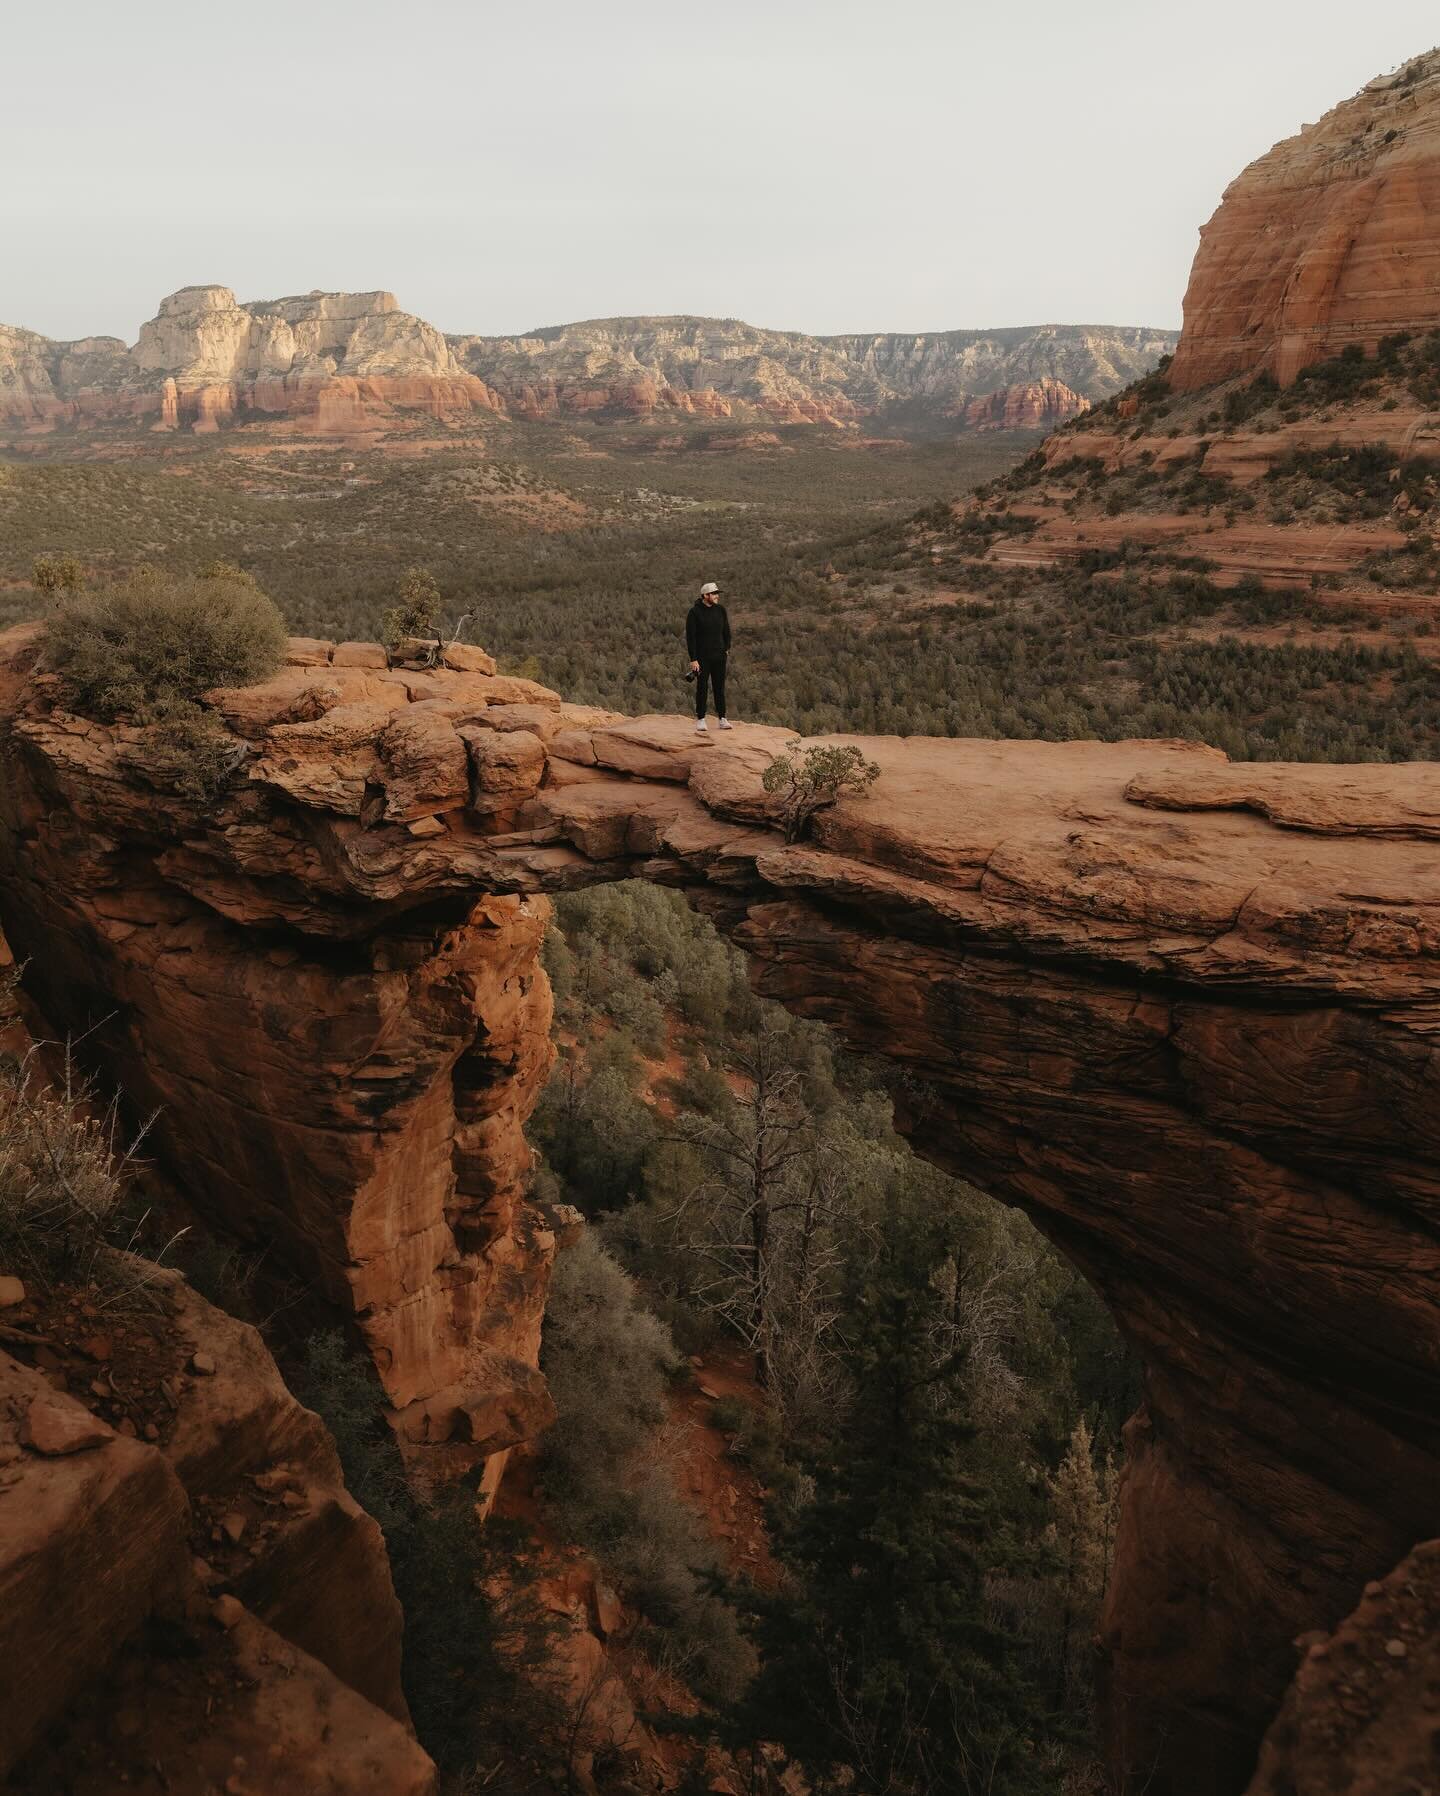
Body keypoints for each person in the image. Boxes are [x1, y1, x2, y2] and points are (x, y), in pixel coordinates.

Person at [686, 580, 732, 733]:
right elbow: (690, 638)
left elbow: (726, 631)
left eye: (717, 593)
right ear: (705, 595)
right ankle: (701, 719)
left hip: (719, 656)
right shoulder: (694, 613)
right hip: (702, 658)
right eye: (714, 594)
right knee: (702, 687)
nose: (717, 596)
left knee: (720, 687)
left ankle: (722, 718)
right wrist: (693, 659)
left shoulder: (720, 610)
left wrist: (727, 648)